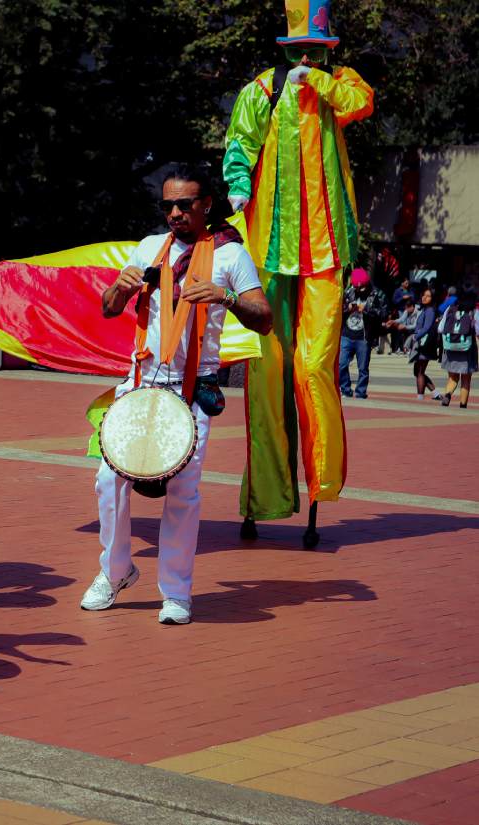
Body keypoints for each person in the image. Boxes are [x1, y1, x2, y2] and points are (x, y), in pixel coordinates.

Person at [79, 166, 272, 625]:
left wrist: (224, 297)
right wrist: (119, 291)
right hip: (141, 386)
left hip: (190, 391)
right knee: (110, 481)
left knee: (182, 494)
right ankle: (117, 570)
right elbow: (108, 309)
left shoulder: (230, 256)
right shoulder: (150, 248)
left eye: (185, 204)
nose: (175, 213)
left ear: (207, 204)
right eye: (167, 205)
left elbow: (263, 318)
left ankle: (177, 593)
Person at [223, 0, 373, 540]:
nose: (308, 57)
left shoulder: (340, 86)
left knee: (313, 370)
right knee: (266, 374)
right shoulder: (265, 88)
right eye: (301, 50)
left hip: (326, 258)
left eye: (317, 50)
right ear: (287, 50)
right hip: (269, 255)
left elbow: (362, 103)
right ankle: (263, 498)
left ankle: (320, 488)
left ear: (328, 51)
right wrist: (238, 185)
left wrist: (322, 80)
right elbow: (239, 139)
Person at [338, 268, 387, 398]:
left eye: (362, 288)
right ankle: (346, 389)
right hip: (347, 334)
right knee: (341, 364)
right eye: (357, 288)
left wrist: (366, 309)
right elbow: (337, 309)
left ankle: (360, 392)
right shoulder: (349, 292)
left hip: (364, 337)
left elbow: (383, 313)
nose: (359, 290)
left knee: (363, 368)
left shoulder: (376, 294)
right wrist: (347, 308)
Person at [437, 291, 477, 408]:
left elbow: (440, 328)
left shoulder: (450, 309)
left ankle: (448, 394)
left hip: (450, 347)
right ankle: (463, 405)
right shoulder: (474, 312)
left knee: (453, 377)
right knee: (466, 378)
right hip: (467, 348)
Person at [411, 286, 442, 400]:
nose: (425, 297)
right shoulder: (424, 310)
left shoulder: (430, 311)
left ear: (432, 298)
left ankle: (420, 397)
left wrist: (416, 337)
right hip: (422, 343)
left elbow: (427, 327)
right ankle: (435, 393)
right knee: (418, 371)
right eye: (424, 295)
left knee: (419, 371)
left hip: (425, 344)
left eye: (428, 296)